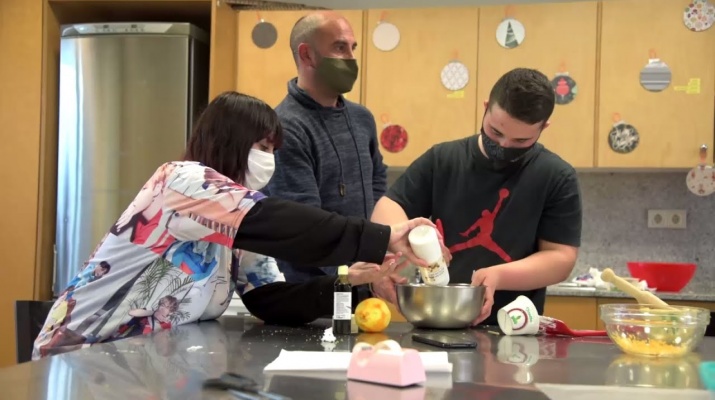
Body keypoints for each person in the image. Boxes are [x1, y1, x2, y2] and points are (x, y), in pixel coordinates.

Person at [33, 91, 432, 359]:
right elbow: (282, 223)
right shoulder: (182, 181)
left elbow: (270, 297)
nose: (268, 160)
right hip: (83, 354)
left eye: (272, 151)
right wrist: (382, 238)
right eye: (261, 148)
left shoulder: (236, 221)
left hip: (140, 362)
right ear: (229, 141)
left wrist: (355, 282)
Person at [370, 68, 582, 326]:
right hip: (438, 321)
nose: (504, 146)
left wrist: (499, 276)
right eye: (496, 132)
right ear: (485, 108)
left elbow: (561, 258)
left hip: (514, 328)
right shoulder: (443, 160)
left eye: (520, 140)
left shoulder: (556, 177)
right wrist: (386, 254)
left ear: (543, 127)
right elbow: (389, 206)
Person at [264, 11, 388, 288]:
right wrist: (348, 274)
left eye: (353, 48)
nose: (351, 58)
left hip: (364, 279)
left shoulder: (361, 118)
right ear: (307, 55)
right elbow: (303, 222)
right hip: (312, 290)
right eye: (339, 47)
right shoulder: (285, 127)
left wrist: (379, 253)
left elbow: (378, 183)